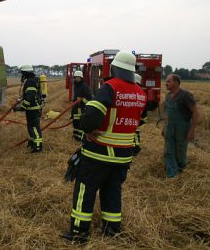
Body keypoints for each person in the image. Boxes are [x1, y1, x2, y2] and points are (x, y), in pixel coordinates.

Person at [61, 52, 146, 243]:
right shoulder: (140, 93)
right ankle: (111, 230)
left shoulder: (110, 87)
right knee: (112, 191)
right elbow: (137, 120)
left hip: (99, 152)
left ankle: (78, 233)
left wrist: (88, 129)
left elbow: (90, 117)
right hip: (123, 156)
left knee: (85, 190)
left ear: (115, 68)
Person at [162, 74, 199, 178]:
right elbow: (167, 113)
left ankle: (181, 171)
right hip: (169, 128)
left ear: (176, 83)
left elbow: (195, 113)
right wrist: (164, 127)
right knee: (168, 152)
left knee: (180, 153)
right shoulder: (168, 96)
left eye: (168, 81)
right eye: (166, 81)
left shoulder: (185, 95)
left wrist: (192, 130)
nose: (166, 83)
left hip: (182, 129)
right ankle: (172, 176)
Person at [14, 65, 43, 153]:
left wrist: (22, 107)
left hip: (33, 109)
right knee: (30, 127)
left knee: (34, 128)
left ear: (26, 73)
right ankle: (31, 142)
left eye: (22, 73)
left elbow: (30, 96)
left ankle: (37, 147)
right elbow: (28, 94)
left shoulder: (30, 82)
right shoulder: (32, 80)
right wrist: (21, 99)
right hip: (32, 108)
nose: (22, 75)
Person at [70, 70, 92, 141]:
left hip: (81, 108)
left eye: (78, 77)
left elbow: (89, 97)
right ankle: (76, 136)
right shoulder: (76, 86)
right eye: (75, 77)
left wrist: (81, 100)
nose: (76, 78)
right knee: (75, 122)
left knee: (80, 123)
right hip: (76, 108)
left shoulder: (84, 86)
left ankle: (81, 137)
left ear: (81, 78)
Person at [131, 74, 148, 156]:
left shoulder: (129, 92)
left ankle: (135, 148)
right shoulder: (142, 94)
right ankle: (135, 148)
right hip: (137, 120)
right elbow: (144, 115)